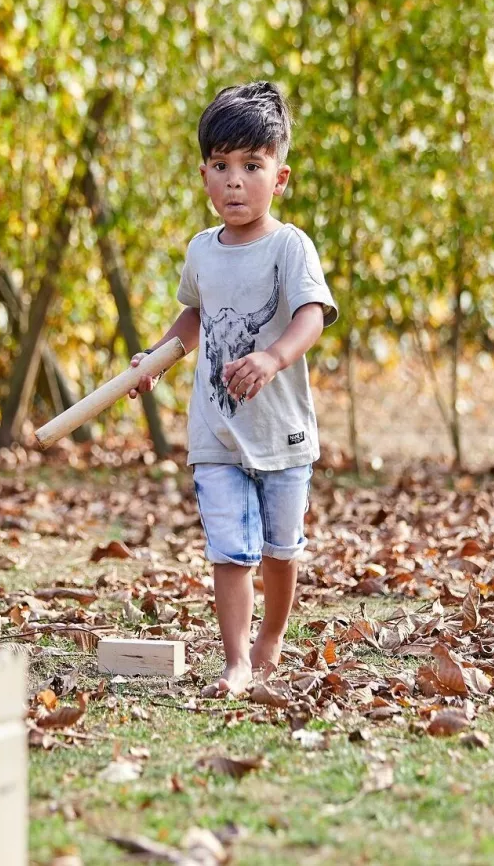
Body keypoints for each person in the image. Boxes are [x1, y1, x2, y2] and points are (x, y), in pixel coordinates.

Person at [128, 81, 338, 696]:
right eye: (221, 167)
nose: (235, 181)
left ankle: (272, 635)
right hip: (215, 429)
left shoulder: (289, 247)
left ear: (281, 176)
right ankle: (237, 659)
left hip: (280, 430)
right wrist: (158, 358)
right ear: (204, 175)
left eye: (251, 166)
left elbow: (311, 315)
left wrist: (273, 358)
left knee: (278, 547)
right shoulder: (201, 252)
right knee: (229, 549)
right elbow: (196, 316)